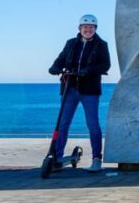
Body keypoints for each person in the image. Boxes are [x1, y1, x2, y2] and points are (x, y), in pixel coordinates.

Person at [48, 14, 111, 172]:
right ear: (79, 29)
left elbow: (105, 65)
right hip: (70, 88)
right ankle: (57, 155)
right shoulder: (71, 43)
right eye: (85, 27)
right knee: (63, 123)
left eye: (91, 27)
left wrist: (88, 70)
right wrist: (55, 68)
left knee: (92, 124)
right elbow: (60, 59)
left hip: (89, 89)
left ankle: (96, 158)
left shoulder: (101, 44)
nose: (88, 30)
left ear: (95, 29)